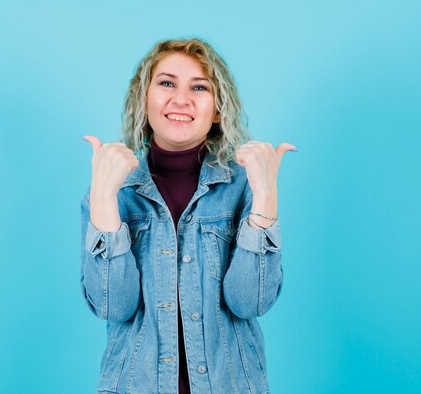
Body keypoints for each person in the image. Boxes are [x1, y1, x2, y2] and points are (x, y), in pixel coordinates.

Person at [80, 38, 296, 394]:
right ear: (144, 98)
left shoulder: (244, 184)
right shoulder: (111, 187)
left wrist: (266, 196)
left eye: (199, 87)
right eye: (167, 83)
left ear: (217, 110)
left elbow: (251, 302)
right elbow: (112, 306)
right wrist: (104, 198)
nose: (181, 99)